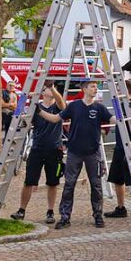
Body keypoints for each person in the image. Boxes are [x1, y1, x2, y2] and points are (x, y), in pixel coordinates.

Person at [37, 80, 115, 229]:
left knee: (96, 185)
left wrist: (122, 111)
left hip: (93, 152)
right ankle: (65, 217)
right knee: (69, 185)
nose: (95, 89)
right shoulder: (74, 106)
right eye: (92, 86)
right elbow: (55, 119)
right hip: (74, 152)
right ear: (84, 89)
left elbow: (113, 120)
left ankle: (98, 215)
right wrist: (39, 112)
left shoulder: (99, 108)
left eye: (95, 86)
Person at [11, 82, 66, 224]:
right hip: (37, 149)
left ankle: (50, 211)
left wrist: (52, 87)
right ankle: (21, 210)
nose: (50, 90)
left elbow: (62, 104)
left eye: (52, 89)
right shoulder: (36, 106)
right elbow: (27, 123)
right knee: (29, 181)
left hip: (54, 150)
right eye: (47, 88)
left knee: (53, 183)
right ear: (42, 93)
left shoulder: (57, 107)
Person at [104, 80, 131, 220]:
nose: (116, 92)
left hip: (130, 150)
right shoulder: (121, 105)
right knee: (117, 179)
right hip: (119, 148)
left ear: (126, 91)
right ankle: (121, 208)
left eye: (118, 89)